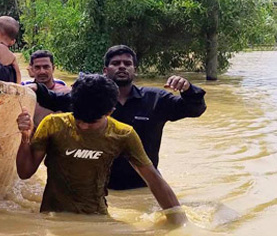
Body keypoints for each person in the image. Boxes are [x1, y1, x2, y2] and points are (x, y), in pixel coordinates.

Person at [16, 74, 187, 225]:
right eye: (79, 119)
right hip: (52, 218)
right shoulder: (52, 124)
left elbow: (153, 179)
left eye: (91, 122)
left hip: (98, 220)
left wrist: (180, 223)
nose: (83, 126)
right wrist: (25, 137)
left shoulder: (123, 134)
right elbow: (25, 172)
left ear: (110, 112)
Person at [32, 45, 207, 190]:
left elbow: (195, 109)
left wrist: (188, 89)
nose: (122, 66)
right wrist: (30, 88)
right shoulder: (92, 98)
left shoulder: (155, 99)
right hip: (101, 187)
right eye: (116, 63)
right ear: (105, 70)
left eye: (127, 63)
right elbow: (53, 99)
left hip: (142, 186)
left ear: (134, 70)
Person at [22, 50, 71, 127]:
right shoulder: (24, 95)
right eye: (37, 67)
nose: (42, 71)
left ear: (53, 68)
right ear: (32, 69)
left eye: (46, 67)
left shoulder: (66, 92)